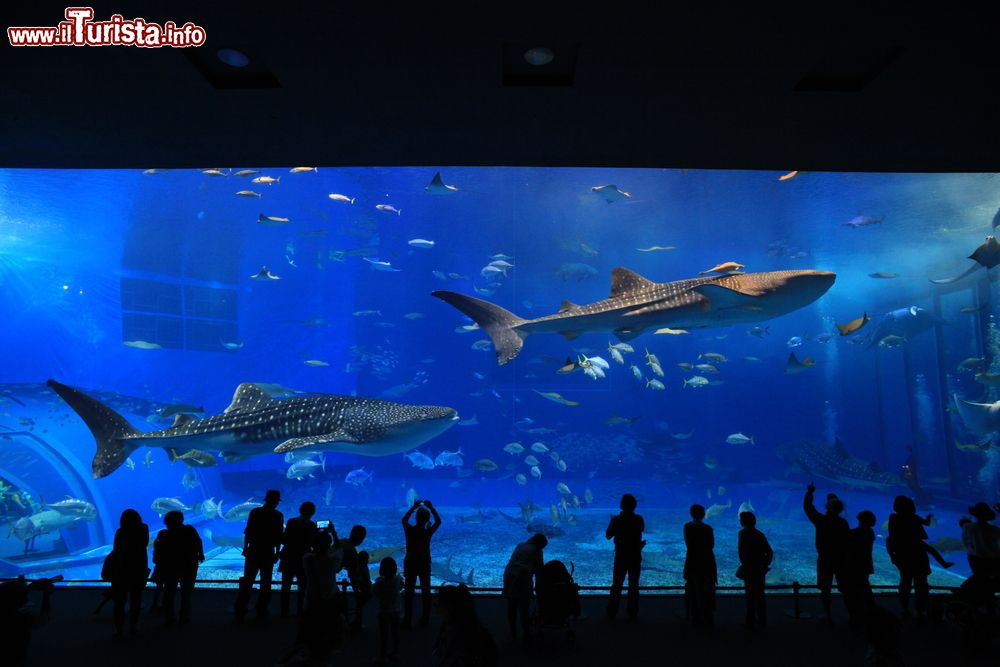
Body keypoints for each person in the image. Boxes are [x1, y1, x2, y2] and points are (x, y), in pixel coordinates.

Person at [235, 489, 283, 622]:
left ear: (265, 500)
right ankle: (261, 610)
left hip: (254, 551)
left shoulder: (255, 512)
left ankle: (240, 609)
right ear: (276, 501)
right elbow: (279, 536)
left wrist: (245, 548)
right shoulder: (278, 515)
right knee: (265, 583)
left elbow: (248, 532)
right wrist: (277, 552)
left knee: (247, 581)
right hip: (268, 552)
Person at [803, 483, 850, 620]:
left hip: (825, 558)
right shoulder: (843, 523)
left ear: (827, 507)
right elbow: (847, 542)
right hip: (841, 558)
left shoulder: (821, 520)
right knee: (846, 588)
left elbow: (808, 508)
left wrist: (810, 492)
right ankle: (852, 613)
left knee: (825, 588)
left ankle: (827, 614)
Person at [152, 510, 204, 626]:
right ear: (181, 519)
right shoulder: (189, 530)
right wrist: (201, 554)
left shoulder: (163, 534)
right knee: (186, 593)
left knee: (169, 593)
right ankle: (184, 617)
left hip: (170, 567)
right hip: (189, 565)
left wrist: (157, 563)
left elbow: (158, 550)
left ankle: (170, 618)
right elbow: (198, 542)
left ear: (166, 522)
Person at [886, 495, 930, 619]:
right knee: (921, 582)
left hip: (902, 554)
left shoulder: (893, 518)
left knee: (905, 582)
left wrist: (892, 555)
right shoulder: (914, 518)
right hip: (918, 553)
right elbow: (926, 524)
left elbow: (891, 539)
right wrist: (928, 518)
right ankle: (920, 611)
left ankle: (904, 609)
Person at [431, 584, 497, 667]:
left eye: (438, 605)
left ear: (450, 607)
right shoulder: (447, 627)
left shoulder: (469, 638)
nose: (437, 611)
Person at [605, 493, 646, 621]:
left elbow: (608, 535)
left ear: (621, 505)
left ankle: (612, 611)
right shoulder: (639, 519)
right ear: (635, 505)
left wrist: (612, 521)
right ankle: (632, 612)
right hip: (635, 556)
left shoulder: (617, 519)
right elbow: (640, 530)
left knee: (617, 584)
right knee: (634, 584)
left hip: (621, 556)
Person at [109, 508, 150, 637]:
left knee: (119, 601)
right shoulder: (143, 528)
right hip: (138, 568)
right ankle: (134, 624)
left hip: (121, 569)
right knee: (136, 598)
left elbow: (116, 549)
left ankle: (118, 628)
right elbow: (144, 544)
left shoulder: (120, 532)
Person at [401, 499, 441, 629]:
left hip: (411, 562)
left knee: (409, 591)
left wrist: (413, 507)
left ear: (417, 518)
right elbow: (438, 522)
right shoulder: (427, 532)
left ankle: (407, 619)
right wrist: (431, 507)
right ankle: (425, 618)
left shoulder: (410, 531)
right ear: (426, 519)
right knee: (426, 590)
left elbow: (404, 520)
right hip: (424, 563)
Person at [1, 575, 56, 667]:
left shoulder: (11, 612)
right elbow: (43, 618)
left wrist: (27, 588)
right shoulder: (21, 617)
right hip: (14, 660)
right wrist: (45, 595)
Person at [502, 533, 547, 641]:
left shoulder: (520, 545)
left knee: (511, 605)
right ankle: (526, 633)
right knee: (524, 607)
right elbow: (540, 571)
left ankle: (513, 631)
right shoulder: (537, 551)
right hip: (523, 577)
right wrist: (540, 588)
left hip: (509, 574)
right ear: (540, 544)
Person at [279, 501, 318, 618]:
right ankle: (301, 610)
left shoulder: (291, 522)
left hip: (288, 556)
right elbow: (314, 543)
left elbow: (284, 539)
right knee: (303, 586)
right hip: (303, 558)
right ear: (312, 512)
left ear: (300, 510)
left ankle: (284, 610)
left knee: (286, 585)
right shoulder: (312, 525)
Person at [737, 511, 772, 631]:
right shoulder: (760, 534)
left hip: (749, 569)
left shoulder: (742, 533)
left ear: (743, 522)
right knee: (760, 596)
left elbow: (741, 551)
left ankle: (750, 621)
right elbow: (769, 552)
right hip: (759, 569)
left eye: (740, 520)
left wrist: (744, 564)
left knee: (750, 596)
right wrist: (765, 565)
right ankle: (763, 621)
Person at [683, 503, 717, 629]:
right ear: (703, 514)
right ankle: (708, 619)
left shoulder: (687, 526)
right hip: (707, 561)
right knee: (707, 589)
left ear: (691, 514)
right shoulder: (708, 528)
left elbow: (688, 544)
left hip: (693, 561)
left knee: (693, 589)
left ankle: (694, 618)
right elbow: (711, 545)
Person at [843, 510, 877, 625]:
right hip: (865, 564)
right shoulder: (870, 532)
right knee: (865, 587)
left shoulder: (853, 533)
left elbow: (846, 544)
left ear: (860, 519)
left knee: (852, 590)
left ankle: (854, 614)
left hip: (853, 564)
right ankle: (870, 611)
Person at [372, 556, 404, 665]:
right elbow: (401, 586)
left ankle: (382, 657)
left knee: (384, 635)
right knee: (396, 633)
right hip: (396, 611)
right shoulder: (398, 580)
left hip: (383, 612)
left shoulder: (379, 583)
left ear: (381, 570)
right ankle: (395, 653)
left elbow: (375, 594)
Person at [339, 524, 369, 631]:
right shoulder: (352, 551)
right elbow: (353, 573)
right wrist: (358, 589)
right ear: (361, 539)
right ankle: (347, 624)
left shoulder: (341, 542)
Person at [961, 501, 1000, 579]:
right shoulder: (996, 530)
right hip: (993, 559)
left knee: (979, 577)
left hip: (974, 559)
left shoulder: (967, 527)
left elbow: (965, 541)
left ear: (975, 514)